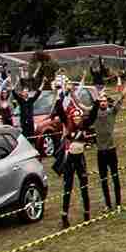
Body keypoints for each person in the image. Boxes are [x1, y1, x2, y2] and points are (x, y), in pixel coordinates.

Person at [53, 90, 92, 227]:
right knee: (67, 188)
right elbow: (60, 110)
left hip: (80, 159)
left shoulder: (84, 125)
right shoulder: (67, 124)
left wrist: (98, 100)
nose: (76, 119)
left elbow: (93, 114)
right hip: (69, 159)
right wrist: (58, 95)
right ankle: (64, 216)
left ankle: (87, 213)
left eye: (78, 117)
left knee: (84, 186)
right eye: (74, 117)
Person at [91, 83, 125, 209]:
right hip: (100, 152)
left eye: (105, 101)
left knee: (115, 177)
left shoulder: (112, 112)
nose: (103, 103)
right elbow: (80, 105)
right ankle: (108, 204)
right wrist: (72, 93)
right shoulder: (94, 115)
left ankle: (118, 203)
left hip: (111, 150)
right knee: (103, 180)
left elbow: (121, 98)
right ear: (99, 103)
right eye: (101, 101)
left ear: (107, 103)